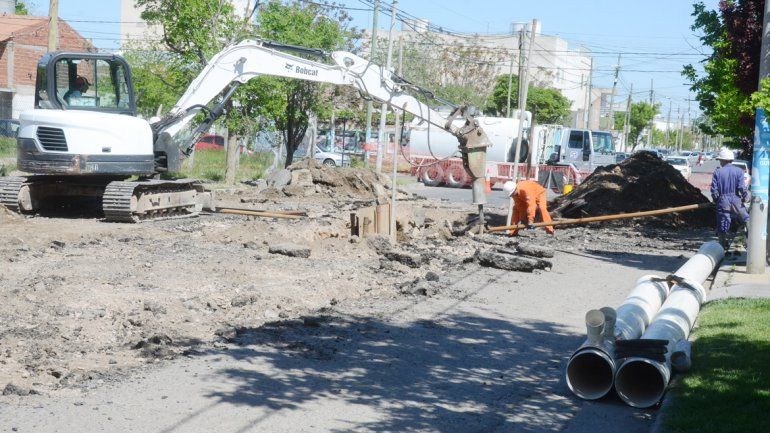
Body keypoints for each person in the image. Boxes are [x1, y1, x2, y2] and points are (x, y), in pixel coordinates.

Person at [710, 148, 749, 250]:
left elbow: (714, 190)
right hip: (736, 200)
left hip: (723, 201)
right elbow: (742, 187)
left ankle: (723, 247)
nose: (720, 161)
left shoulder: (718, 172)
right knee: (746, 220)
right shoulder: (739, 171)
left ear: (723, 160)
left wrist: (716, 199)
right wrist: (746, 197)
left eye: (720, 160)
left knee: (723, 224)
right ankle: (749, 242)